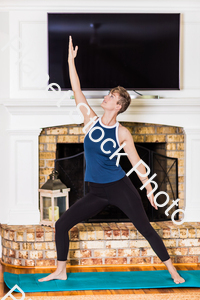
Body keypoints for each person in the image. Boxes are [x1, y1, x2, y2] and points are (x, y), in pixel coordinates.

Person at [39, 36, 185, 284]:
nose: (106, 97)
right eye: (108, 94)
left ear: (118, 106)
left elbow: (138, 165)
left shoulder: (122, 133)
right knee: (62, 224)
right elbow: (76, 90)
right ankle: (60, 270)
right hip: (96, 191)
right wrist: (69, 61)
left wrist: (149, 189)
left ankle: (173, 271)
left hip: (120, 188)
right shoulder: (91, 121)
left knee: (146, 228)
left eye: (111, 97)